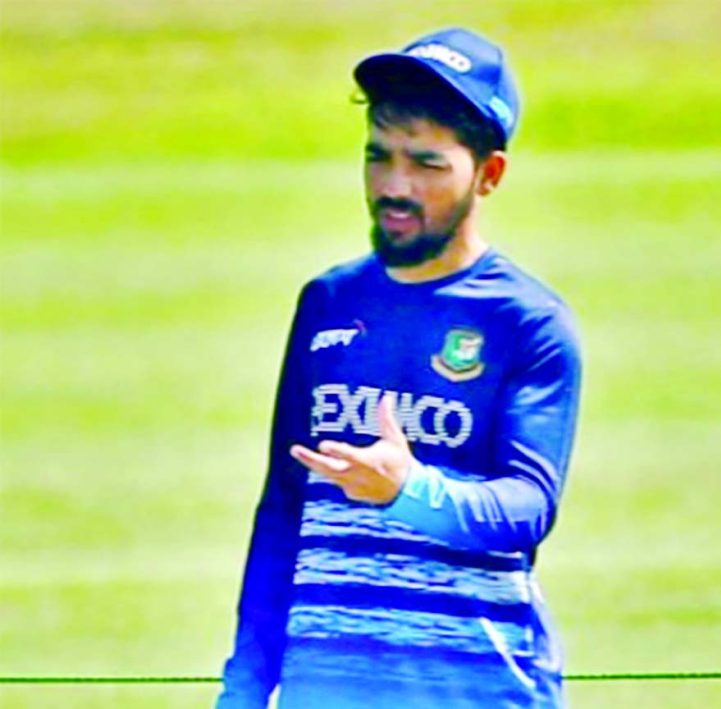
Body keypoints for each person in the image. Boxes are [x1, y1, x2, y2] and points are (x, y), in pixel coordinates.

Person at [216, 27, 582, 709]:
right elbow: (283, 510)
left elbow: (527, 508)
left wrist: (408, 489)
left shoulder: (527, 322)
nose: (394, 186)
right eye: (377, 157)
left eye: (426, 165)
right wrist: (244, 684)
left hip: (474, 688)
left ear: (489, 174)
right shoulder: (328, 302)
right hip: (326, 689)